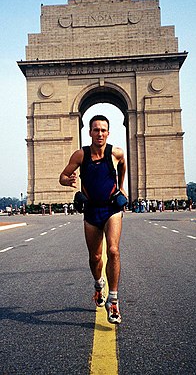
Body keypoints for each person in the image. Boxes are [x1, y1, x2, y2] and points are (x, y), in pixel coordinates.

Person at [59, 115, 127, 324]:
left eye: (103, 130)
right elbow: (62, 176)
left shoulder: (116, 153)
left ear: (108, 132)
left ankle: (113, 301)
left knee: (113, 250)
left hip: (112, 209)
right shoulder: (80, 155)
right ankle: (99, 285)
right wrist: (68, 181)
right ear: (89, 132)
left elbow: (123, 164)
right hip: (91, 211)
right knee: (95, 257)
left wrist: (121, 186)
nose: (99, 133)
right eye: (96, 130)